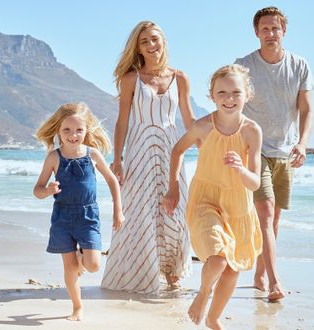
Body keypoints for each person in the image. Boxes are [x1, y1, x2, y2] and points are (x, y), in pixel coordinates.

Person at [163, 64, 264, 329]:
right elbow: (177, 150)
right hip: (205, 200)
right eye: (222, 93)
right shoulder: (203, 127)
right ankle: (203, 292)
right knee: (218, 258)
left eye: (235, 92)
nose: (229, 99)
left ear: (247, 95)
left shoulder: (252, 131)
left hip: (238, 204)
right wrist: (173, 186)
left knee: (233, 268)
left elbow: (254, 183)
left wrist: (241, 169)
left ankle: (213, 317)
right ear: (212, 96)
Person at [103, 20, 195, 294]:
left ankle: (172, 269)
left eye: (155, 39)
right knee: (140, 209)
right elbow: (122, 121)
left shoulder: (180, 78)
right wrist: (117, 159)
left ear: (163, 41)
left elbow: (189, 118)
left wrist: (211, 139)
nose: (151, 45)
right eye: (145, 42)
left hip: (171, 148)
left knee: (176, 208)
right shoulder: (131, 79)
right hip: (140, 147)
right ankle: (142, 269)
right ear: (138, 48)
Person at [233, 6, 313, 303]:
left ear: (283, 31)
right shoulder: (243, 66)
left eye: (275, 28)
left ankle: (259, 273)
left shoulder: (299, 65)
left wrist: (303, 143)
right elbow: (230, 102)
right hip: (255, 150)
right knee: (265, 215)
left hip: (285, 151)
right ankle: (275, 282)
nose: (270, 34)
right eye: (264, 29)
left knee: (274, 220)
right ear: (256, 32)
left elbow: (306, 110)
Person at [30, 102, 124, 321]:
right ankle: (77, 307)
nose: (73, 135)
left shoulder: (93, 154)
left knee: (92, 265)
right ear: (58, 131)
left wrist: (118, 210)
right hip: (62, 218)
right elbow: (37, 190)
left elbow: (112, 180)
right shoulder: (54, 158)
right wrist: (48, 190)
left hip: (88, 216)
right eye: (67, 130)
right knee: (70, 268)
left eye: (79, 130)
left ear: (87, 130)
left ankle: (80, 262)